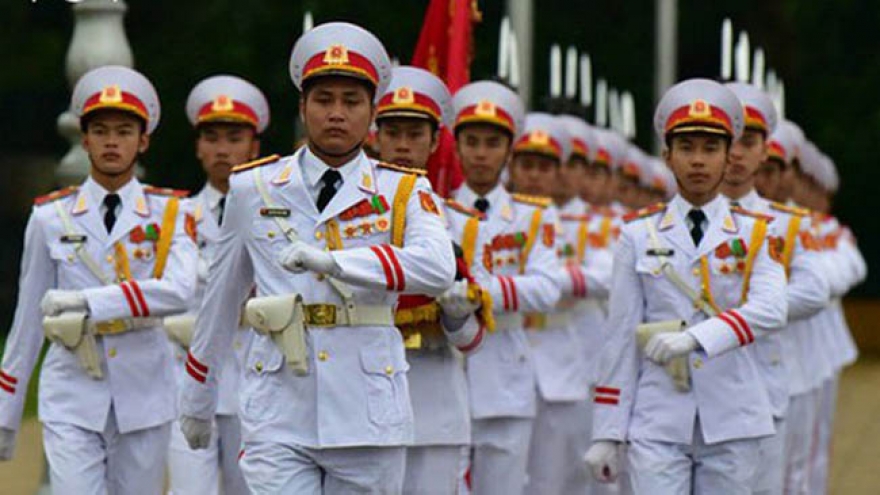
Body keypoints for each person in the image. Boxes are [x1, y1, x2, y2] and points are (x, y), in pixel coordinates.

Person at [177, 22, 456, 494]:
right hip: (279, 406)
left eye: (351, 102)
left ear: (372, 115)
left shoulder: (403, 189)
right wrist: (197, 396)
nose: (336, 114)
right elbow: (220, 303)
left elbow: (437, 267)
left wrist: (339, 263)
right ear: (303, 107)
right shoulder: (253, 188)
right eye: (324, 100)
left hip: (367, 412)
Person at [584, 78, 788, 494]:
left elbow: (771, 308)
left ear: (730, 156)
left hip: (733, 415)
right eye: (687, 148)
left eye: (711, 149)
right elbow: (619, 337)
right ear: (667, 156)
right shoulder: (637, 235)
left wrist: (696, 338)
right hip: (658, 415)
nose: (698, 161)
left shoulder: (755, 233)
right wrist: (606, 431)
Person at [0, 65, 197, 494]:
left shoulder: (171, 214)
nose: (112, 141)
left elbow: (180, 292)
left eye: (124, 130)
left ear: (143, 140)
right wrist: (6, 414)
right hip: (72, 388)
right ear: (84, 138)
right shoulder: (50, 217)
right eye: (101, 130)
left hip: (144, 392)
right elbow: (28, 322)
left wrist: (89, 302)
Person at [373, 65, 484, 494]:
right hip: (364, 404)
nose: (402, 145)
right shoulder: (343, 223)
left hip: (435, 399)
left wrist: (457, 317)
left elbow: (473, 341)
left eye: (415, 134)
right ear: (375, 135)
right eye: (393, 131)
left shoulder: (459, 225)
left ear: (437, 141)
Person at [447, 81, 561, 495]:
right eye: (471, 141)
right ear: (456, 147)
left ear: (509, 149)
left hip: (506, 373)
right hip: (449, 371)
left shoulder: (532, 217)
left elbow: (548, 288)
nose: (480, 153)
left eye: (492, 143)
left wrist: (481, 293)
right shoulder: (433, 208)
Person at [722, 82, 831, 495]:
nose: (734, 153)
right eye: (724, 141)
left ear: (764, 150)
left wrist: (731, 317)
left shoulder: (785, 223)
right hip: (685, 395)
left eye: (746, 142)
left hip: (759, 387)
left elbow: (815, 290)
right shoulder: (669, 221)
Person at [166, 74, 269, 495]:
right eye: (211, 137)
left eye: (234, 137)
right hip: (189, 374)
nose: (222, 149)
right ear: (198, 146)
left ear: (254, 146)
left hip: (254, 377)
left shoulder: (274, 216)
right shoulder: (176, 215)